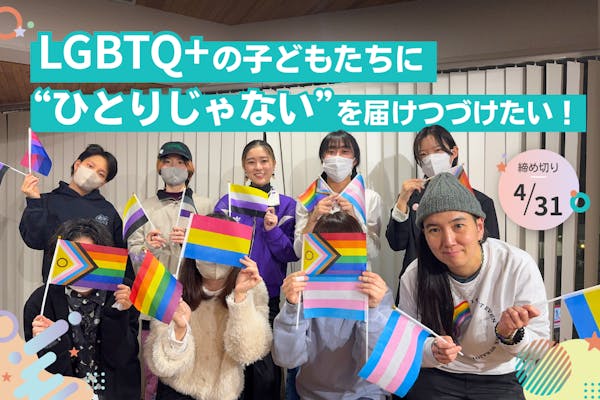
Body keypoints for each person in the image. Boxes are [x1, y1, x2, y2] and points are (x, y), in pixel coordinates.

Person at [398, 172, 549, 400]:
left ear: (479, 226)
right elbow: (406, 343)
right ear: (425, 235)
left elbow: (539, 348)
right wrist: (432, 350)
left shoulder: (516, 265)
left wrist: (511, 335)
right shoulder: (415, 274)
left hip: (498, 376)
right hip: (438, 374)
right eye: (434, 230)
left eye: (458, 226)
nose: (448, 241)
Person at [144, 213, 272, 400]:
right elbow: (160, 365)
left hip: (225, 393)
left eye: (224, 248)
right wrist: (179, 331)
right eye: (207, 246)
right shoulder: (171, 286)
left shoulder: (253, 288)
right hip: (177, 391)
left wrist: (240, 299)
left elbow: (248, 352)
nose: (215, 258)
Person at [273, 212, 393, 400]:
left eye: (346, 248)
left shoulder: (376, 292)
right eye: (327, 247)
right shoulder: (303, 292)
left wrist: (371, 311)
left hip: (363, 394)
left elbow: (377, 364)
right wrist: (291, 308)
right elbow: (287, 359)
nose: (337, 258)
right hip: (310, 393)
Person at [127, 141, 213, 400]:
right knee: (155, 371)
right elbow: (134, 256)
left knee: (195, 368)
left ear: (190, 167)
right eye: (167, 162)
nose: (173, 167)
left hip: (196, 301)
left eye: (179, 162)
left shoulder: (206, 206)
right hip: (155, 300)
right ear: (159, 167)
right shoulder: (142, 208)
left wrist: (192, 241)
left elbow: (216, 258)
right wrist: (148, 248)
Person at [214, 140, 298, 400]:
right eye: (251, 162)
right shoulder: (228, 203)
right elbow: (215, 248)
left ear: (274, 164)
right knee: (233, 364)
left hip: (267, 296)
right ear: (244, 166)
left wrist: (272, 231)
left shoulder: (287, 206)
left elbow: (290, 254)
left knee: (265, 370)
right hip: (232, 295)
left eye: (264, 161)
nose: (258, 167)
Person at [23, 219, 141, 400]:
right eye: (73, 259)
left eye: (90, 259)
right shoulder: (41, 302)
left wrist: (119, 313)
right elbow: (43, 374)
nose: (82, 268)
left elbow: (123, 358)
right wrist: (51, 343)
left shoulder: (122, 293)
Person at [385, 125, 499, 297]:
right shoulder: (411, 198)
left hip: (469, 290)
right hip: (420, 285)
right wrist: (402, 201)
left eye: (437, 150)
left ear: (453, 152)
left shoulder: (480, 201)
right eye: (423, 154)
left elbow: (491, 251)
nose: (430, 158)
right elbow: (396, 243)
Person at [20, 144, 125, 282]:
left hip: (97, 286)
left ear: (103, 182)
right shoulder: (46, 201)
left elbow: (121, 253)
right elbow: (34, 241)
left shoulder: (108, 210)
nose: (92, 173)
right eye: (90, 166)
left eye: (100, 174)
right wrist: (34, 201)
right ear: (77, 165)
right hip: (56, 286)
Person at [294, 130, 382, 262]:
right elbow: (298, 252)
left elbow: (373, 252)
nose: (337, 157)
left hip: (357, 273)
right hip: (318, 272)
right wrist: (313, 220)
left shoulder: (370, 198)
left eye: (344, 151)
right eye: (331, 151)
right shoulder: (307, 199)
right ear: (323, 159)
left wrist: (356, 219)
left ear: (354, 160)